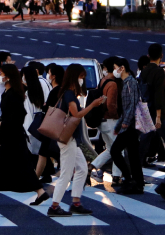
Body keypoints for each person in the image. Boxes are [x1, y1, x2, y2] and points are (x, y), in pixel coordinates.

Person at [0, 63, 45, 206]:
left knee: (1, 164)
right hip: (13, 136)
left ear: (8, 76)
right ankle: (40, 192)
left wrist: (3, 123)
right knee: (23, 166)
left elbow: (18, 115)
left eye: (1, 73)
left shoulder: (14, 94)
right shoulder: (9, 92)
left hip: (13, 136)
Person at [45, 63, 104, 217]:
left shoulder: (68, 92)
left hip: (71, 139)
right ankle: (54, 206)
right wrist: (93, 104)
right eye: (81, 77)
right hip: (68, 138)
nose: (82, 80)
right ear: (75, 76)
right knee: (66, 173)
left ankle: (76, 203)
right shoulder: (69, 94)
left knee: (82, 169)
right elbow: (76, 114)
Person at [110, 59, 145, 194]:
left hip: (130, 125)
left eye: (115, 68)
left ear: (122, 68)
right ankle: (137, 182)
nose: (114, 71)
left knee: (115, 151)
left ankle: (130, 179)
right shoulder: (126, 83)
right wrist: (119, 125)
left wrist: (125, 122)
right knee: (133, 155)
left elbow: (133, 104)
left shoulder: (131, 83)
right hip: (129, 124)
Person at [90, 57, 123, 186]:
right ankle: (116, 177)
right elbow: (111, 106)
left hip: (101, 121)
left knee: (110, 149)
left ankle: (91, 166)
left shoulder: (102, 81)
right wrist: (117, 118)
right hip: (111, 121)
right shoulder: (112, 84)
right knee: (118, 149)